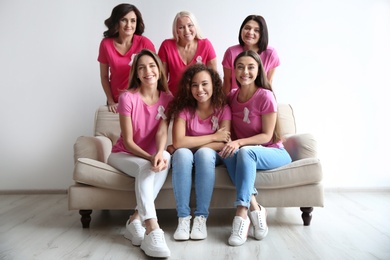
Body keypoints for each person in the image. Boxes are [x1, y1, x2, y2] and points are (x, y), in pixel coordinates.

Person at [219, 50, 292, 246]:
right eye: (240, 67)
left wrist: (240, 142)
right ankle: (256, 207)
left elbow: (267, 136)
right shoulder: (232, 97)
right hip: (245, 154)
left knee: (242, 151)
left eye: (251, 67)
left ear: (259, 69)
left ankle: (242, 213)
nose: (245, 71)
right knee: (226, 152)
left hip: (272, 151)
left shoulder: (265, 96)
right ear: (234, 71)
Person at [107, 49, 172, 258]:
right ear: (136, 73)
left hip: (150, 155)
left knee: (167, 157)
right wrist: (150, 157)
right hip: (123, 154)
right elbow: (128, 140)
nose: (148, 71)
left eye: (152, 66)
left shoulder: (168, 98)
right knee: (147, 166)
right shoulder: (127, 97)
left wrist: (160, 152)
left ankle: (134, 219)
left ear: (160, 71)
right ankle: (152, 227)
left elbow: (162, 130)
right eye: (142, 67)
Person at [167, 64, 231, 241]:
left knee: (202, 154)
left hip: (210, 156)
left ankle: (201, 217)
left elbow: (223, 142)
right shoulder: (183, 109)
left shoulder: (223, 108)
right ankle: (183, 218)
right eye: (194, 85)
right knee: (181, 154)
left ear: (213, 85)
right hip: (187, 156)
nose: (199, 89)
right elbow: (179, 142)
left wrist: (197, 144)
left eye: (204, 84)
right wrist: (213, 136)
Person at [98, 3, 155, 113]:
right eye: (124, 20)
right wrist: (110, 101)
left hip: (141, 101)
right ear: (116, 22)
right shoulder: (106, 44)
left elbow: (154, 73)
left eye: (133, 20)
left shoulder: (145, 43)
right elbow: (104, 76)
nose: (129, 25)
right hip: (116, 101)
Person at [158, 11, 217, 96]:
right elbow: (161, 79)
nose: (186, 30)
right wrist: (168, 97)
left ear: (195, 26)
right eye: (181, 27)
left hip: (200, 99)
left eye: (190, 25)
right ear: (176, 30)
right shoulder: (166, 46)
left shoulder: (206, 45)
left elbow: (213, 79)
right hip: (174, 98)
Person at [222, 15, 280, 95]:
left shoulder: (271, 54)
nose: (250, 32)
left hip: (259, 101)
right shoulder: (231, 52)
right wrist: (225, 105)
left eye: (256, 30)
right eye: (247, 28)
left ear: (262, 34)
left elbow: (269, 82)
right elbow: (227, 83)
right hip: (236, 100)